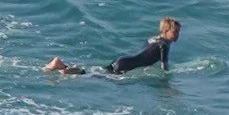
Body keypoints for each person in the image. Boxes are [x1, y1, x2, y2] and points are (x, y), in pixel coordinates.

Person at [46, 17, 180, 76]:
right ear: (165, 31)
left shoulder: (153, 39)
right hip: (125, 66)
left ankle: (62, 67)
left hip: (123, 60)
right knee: (91, 75)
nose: (177, 35)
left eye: (178, 32)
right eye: (175, 32)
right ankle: (61, 66)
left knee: (93, 71)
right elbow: (164, 69)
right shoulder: (164, 45)